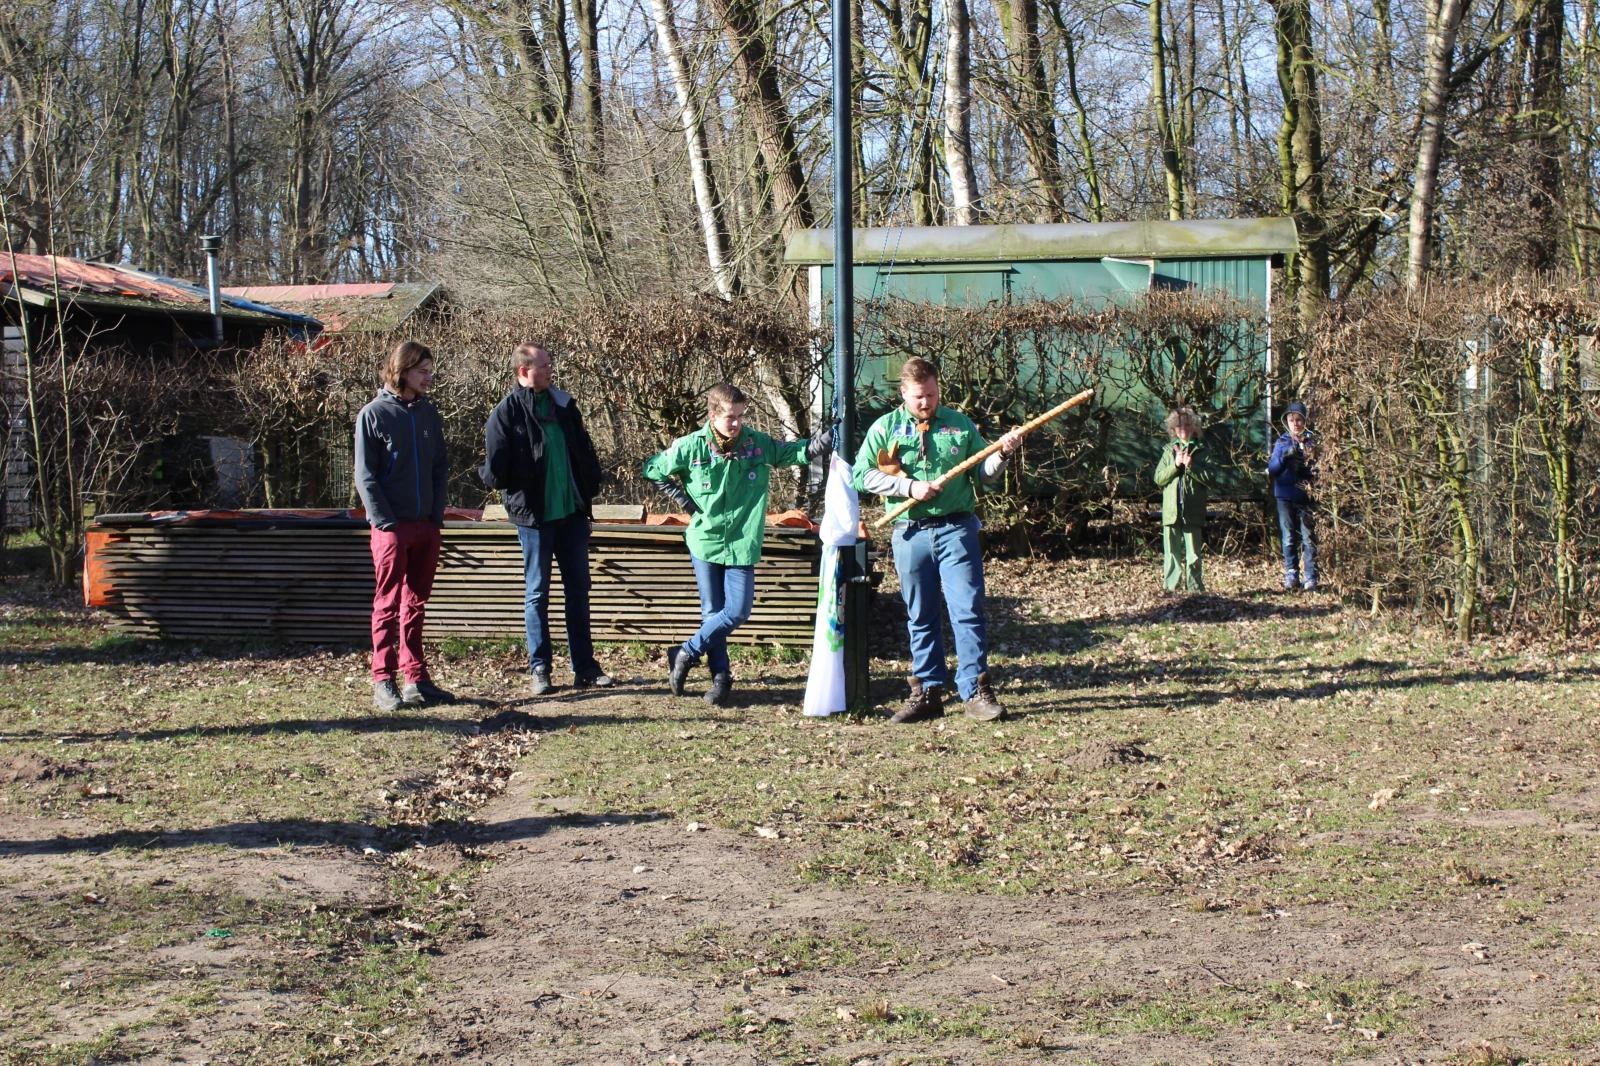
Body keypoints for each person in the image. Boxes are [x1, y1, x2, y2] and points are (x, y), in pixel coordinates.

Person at [852, 357, 1022, 724]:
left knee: (967, 609)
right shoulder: (885, 428)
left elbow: (984, 473)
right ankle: (927, 691)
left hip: (957, 530)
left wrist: (1003, 453)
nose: (926, 402)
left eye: (931, 394)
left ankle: (975, 689)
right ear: (903, 393)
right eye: (918, 397)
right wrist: (909, 486)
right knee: (920, 614)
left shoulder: (959, 425)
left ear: (938, 389)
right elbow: (860, 476)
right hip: (910, 533)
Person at [644, 384, 829, 706]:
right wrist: (681, 499)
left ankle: (685, 652)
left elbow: (792, 453)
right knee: (712, 612)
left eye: (741, 416)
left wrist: (821, 444)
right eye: (730, 417)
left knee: (738, 610)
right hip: (706, 540)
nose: (736, 423)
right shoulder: (691, 447)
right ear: (713, 414)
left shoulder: (756, 444)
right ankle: (721, 679)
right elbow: (653, 468)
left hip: (742, 541)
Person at [480, 342, 611, 696]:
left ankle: (585, 667)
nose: (551, 370)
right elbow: (496, 472)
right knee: (537, 593)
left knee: (579, 592)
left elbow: (584, 450)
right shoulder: (505, 413)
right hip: (535, 521)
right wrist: (493, 474)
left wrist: (591, 483)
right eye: (545, 365)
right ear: (525, 371)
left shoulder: (565, 406)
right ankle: (540, 669)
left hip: (572, 516)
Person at [354, 340, 454, 712]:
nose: (429, 377)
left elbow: (439, 467)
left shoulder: (429, 414)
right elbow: (365, 477)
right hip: (391, 529)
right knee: (387, 605)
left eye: (430, 370)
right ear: (402, 372)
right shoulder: (373, 414)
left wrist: (435, 517)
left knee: (416, 603)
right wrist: (385, 522)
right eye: (422, 371)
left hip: (425, 527)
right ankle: (384, 680)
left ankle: (416, 679)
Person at [1154, 406, 1209, 592]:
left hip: (1192, 510)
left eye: (1187, 424)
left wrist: (1192, 467)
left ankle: (1194, 588)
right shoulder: (1169, 451)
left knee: (1193, 553)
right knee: (1171, 553)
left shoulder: (1201, 451)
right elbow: (1159, 478)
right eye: (1179, 425)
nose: (1183, 428)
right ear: (1173, 429)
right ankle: (1171, 588)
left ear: (1194, 427)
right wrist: (1176, 466)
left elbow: (1211, 479)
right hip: (1171, 511)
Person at [1268, 400, 1318, 591]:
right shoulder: (1282, 442)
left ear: (1304, 421)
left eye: (1298, 420)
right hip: (1285, 496)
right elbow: (1272, 469)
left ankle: (1311, 576)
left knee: (1309, 538)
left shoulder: (1312, 443)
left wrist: (1305, 463)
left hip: (1306, 496)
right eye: (1291, 420)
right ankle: (1291, 573)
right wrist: (1284, 458)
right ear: (1286, 422)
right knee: (1288, 536)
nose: (1295, 424)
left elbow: (1318, 470)